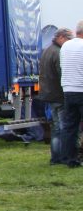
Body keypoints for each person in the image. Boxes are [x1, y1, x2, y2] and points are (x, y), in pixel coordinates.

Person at [39, 28, 74, 164]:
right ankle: (62, 157)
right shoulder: (58, 53)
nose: (69, 42)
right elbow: (62, 74)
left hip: (49, 95)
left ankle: (55, 157)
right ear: (61, 37)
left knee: (55, 128)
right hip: (58, 95)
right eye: (68, 39)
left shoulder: (47, 50)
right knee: (62, 127)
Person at [57, 21, 83, 168]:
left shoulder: (66, 45)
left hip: (68, 89)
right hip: (81, 88)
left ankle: (69, 159)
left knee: (69, 127)